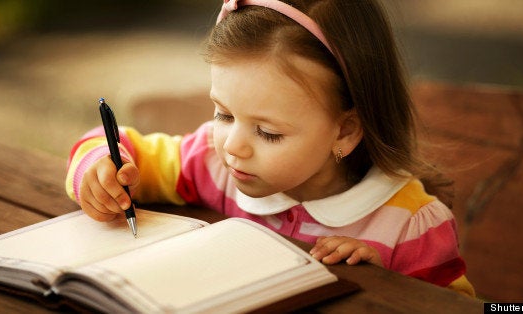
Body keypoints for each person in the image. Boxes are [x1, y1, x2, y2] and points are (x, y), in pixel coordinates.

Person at [65, 0, 475, 297]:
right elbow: (118, 148)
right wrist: (98, 168)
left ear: (345, 131)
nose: (234, 148)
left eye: (268, 132)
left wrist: (385, 284)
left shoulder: (409, 225)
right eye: (224, 114)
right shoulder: (209, 162)